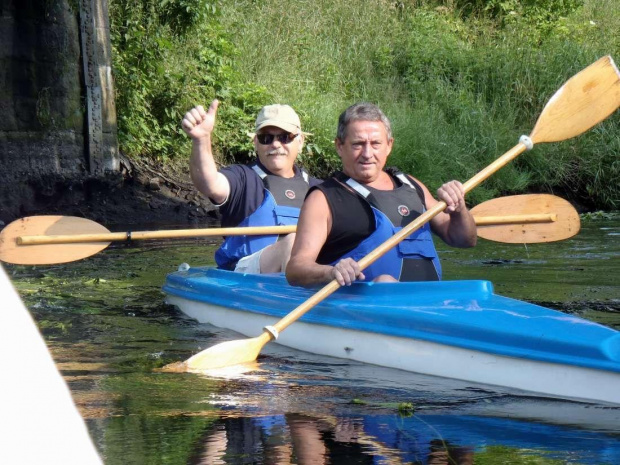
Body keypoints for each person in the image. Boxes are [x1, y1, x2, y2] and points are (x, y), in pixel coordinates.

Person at [286, 102, 477, 287]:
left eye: (375, 143)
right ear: (339, 146)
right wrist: (330, 271)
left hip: (430, 306)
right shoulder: (323, 199)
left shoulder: (411, 184)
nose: (367, 153)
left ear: (389, 145)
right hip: (365, 312)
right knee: (385, 281)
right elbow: (296, 269)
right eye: (358, 144)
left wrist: (459, 209)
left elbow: (464, 240)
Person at [182, 100, 321, 273]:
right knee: (293, 242)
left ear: (300, 142)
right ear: (256, 143)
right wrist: (201, 139)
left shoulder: (319, 189)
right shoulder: (242, 178)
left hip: (307, 273)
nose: (275, 144)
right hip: (246, 274)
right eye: (266, 138)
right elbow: (210, 183)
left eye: (285, 137)